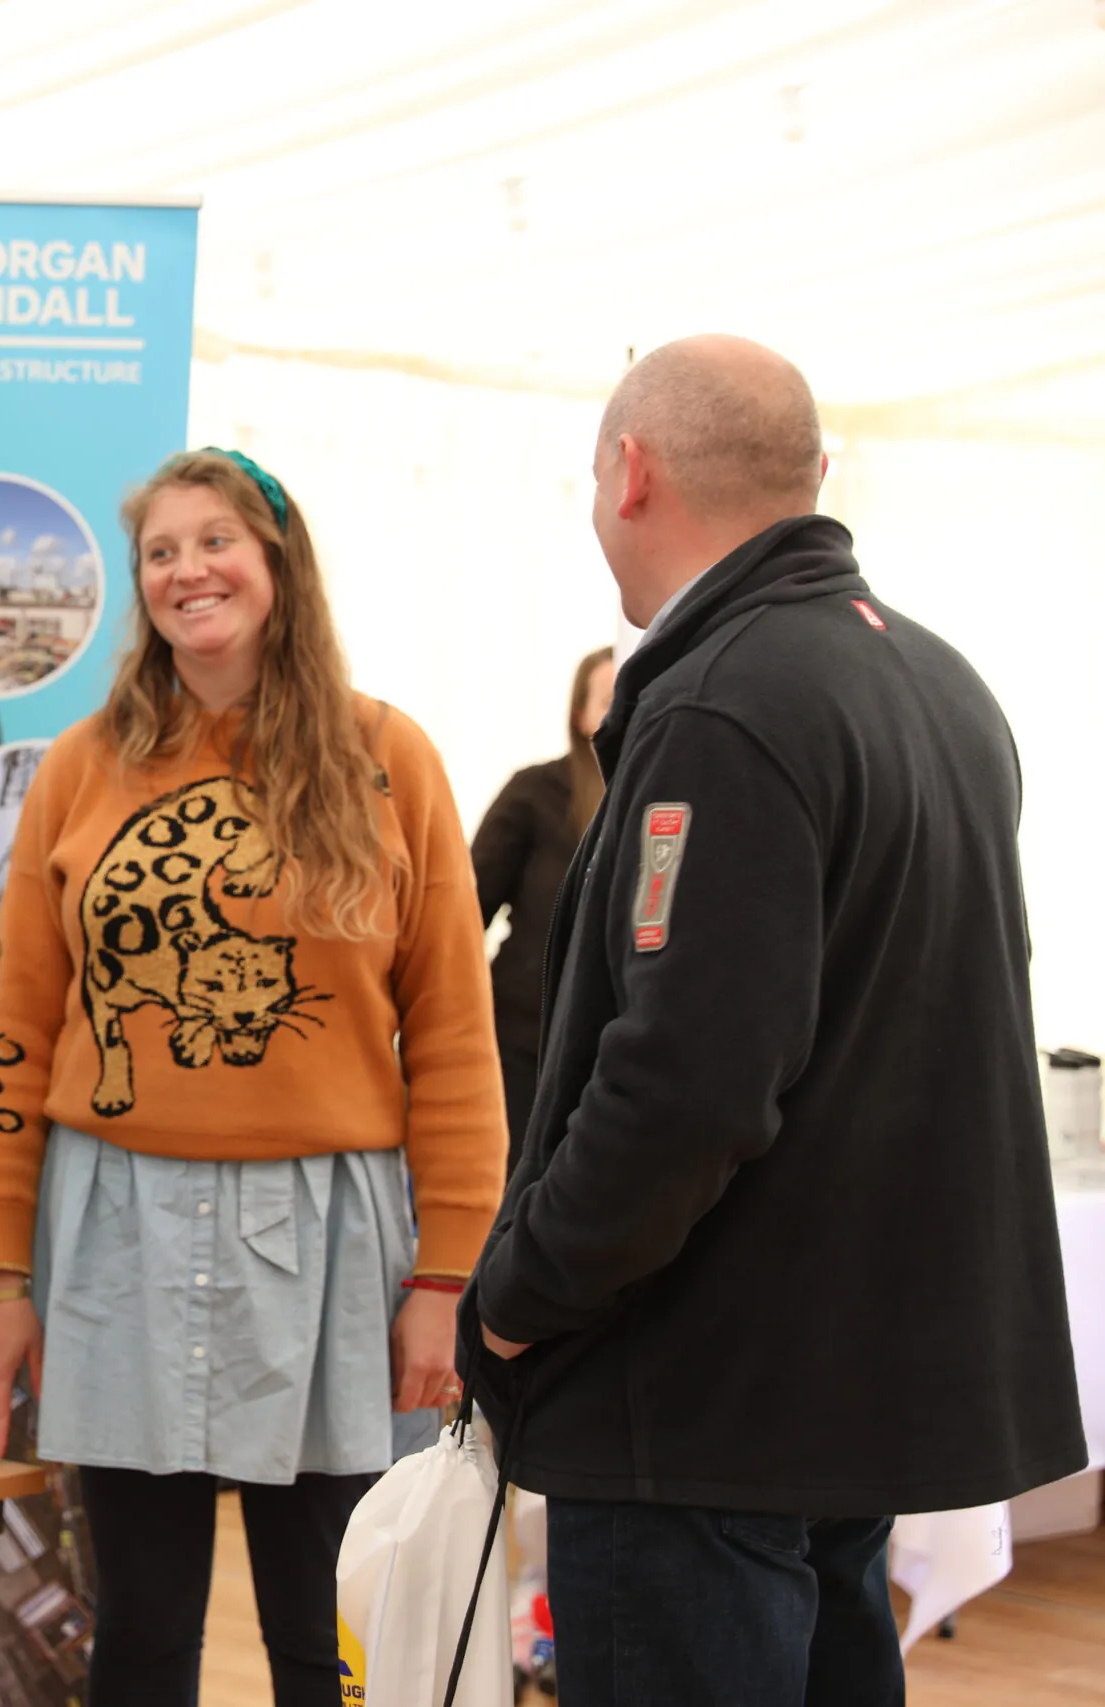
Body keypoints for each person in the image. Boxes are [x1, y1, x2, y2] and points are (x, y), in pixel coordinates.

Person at [461, 337, 1087, 1707]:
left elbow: (686, 1081)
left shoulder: (723, 698)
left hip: (701, 1404)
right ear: (817, 474)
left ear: (632, 471)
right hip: (840, 1387)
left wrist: (520, 1295)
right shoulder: (938, 682)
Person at [0, 448, 508, 1707]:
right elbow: (17, 1031)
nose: (186, 570)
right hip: (115, 1230)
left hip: (334, 1236)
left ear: (277, 564)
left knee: (328, 1635)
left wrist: (445, 1276)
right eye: (160, 551)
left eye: (215, 542)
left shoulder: (388, 758)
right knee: (141, 1638)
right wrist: (0, 1271)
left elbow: (454, 1038)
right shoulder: (81, 766)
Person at [472, 647, 615, 1164]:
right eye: (607, 699)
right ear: (580, 715)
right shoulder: (535, 793)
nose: (623, 710)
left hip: (617, 1059)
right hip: (521, 1049)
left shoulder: (674, 802)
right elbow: (466, 918)